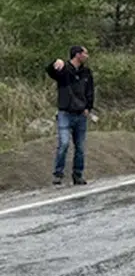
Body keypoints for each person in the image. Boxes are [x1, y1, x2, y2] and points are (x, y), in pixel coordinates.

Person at [47, 45, 94, 186]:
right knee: (64, 143)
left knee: (80, 147)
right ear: (78, 55)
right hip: (65, 113)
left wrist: (88, 107)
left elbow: (90, 91)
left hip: (81, 114)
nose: (87, 56)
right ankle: (58, 174)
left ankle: (78, 174)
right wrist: (55, 62)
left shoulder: (86, 72)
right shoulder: (64, 70)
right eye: (85, 53)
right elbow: (50, 71)